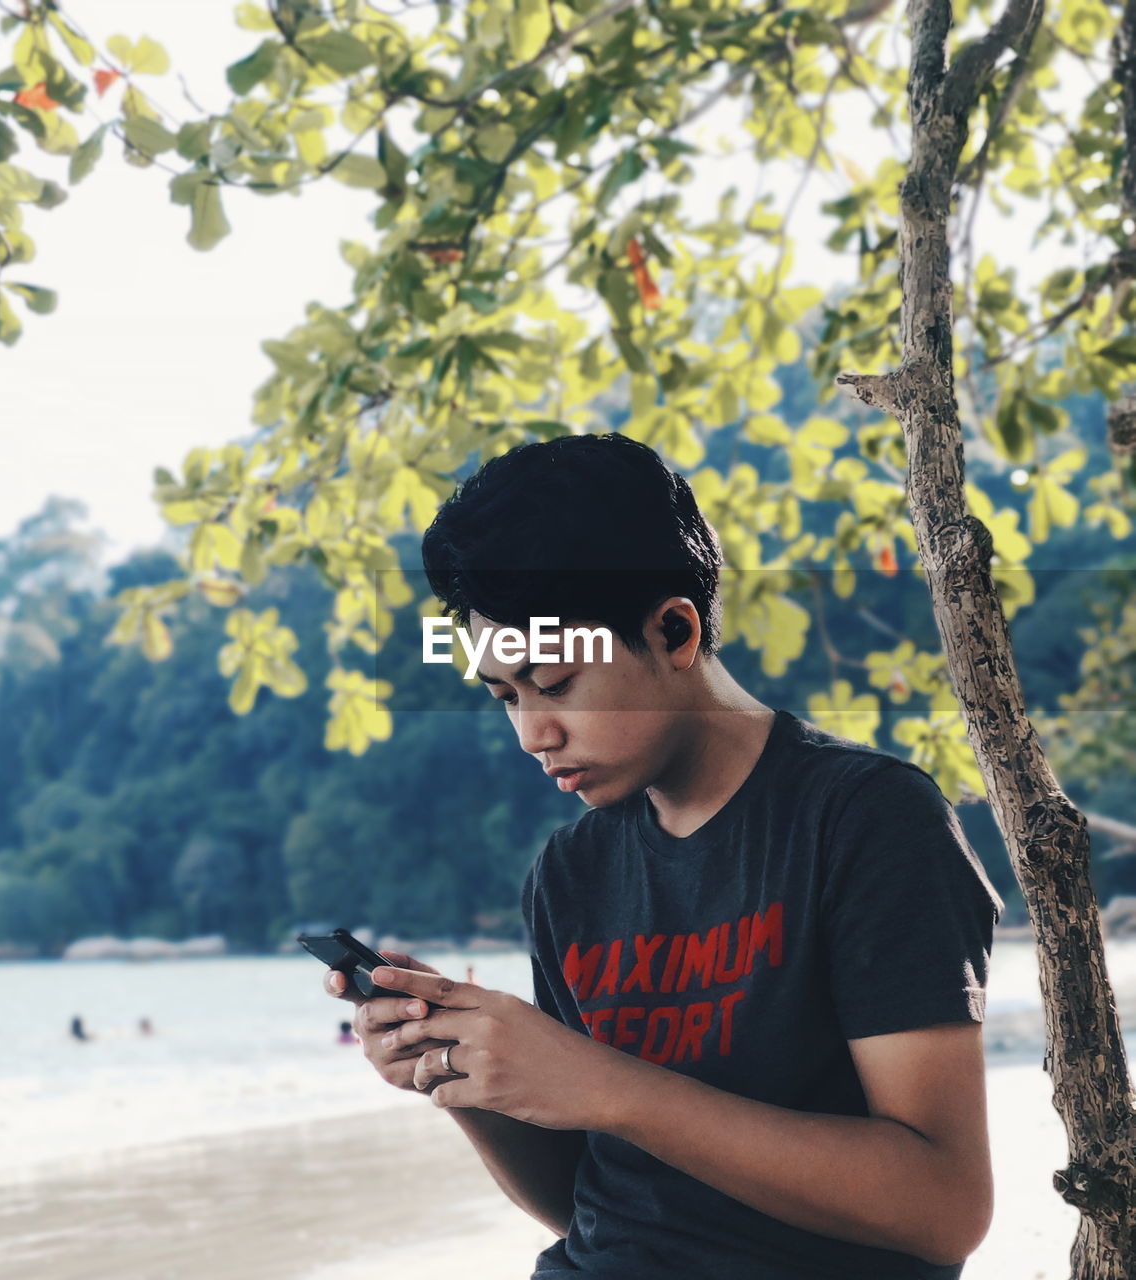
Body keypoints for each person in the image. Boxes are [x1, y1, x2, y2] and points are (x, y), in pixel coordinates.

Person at [324, 433, 1004, 1278]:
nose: (533, 734)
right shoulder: (570, 874)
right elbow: (597, 1201)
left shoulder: (865, 820)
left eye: (556, 682)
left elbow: (942, 1211)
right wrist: (462, 1077)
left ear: (674, 630)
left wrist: (605, 1083)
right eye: (505, 696)